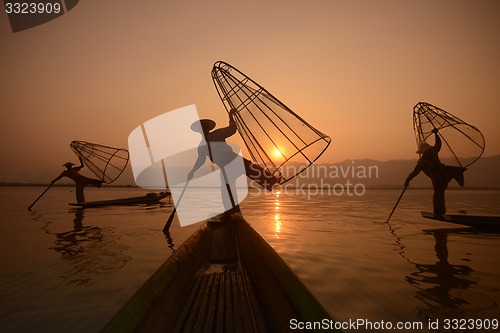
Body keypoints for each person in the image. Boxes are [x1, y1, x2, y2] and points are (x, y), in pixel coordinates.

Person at [188, 109, 281, 213]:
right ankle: (232, 211)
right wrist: (192, 171)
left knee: (252, 169)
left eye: (204, 128)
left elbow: (232, 129)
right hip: (225, 166)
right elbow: (200, 160)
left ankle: (272, 181)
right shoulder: (202, 145)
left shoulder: (217, 134)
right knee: (227, 188)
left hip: (232, 159)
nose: (203, 130)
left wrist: (230, 116)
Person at [405, 129, 466, 217]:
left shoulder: (422, 161)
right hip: (445, 174)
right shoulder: (433, 152)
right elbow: (438, 144)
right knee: (440, 193)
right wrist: (436, 134)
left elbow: (414, 173)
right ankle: (458, 173)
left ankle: (439, 213)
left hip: (438, 179)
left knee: (438, 196)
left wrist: (407, 180)